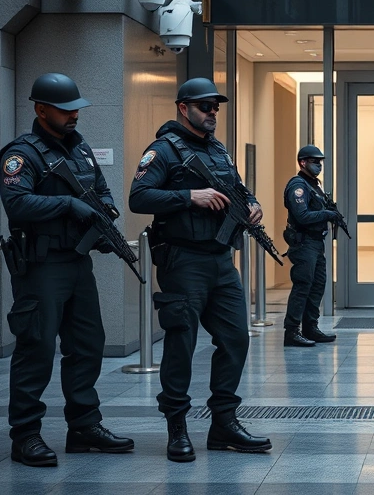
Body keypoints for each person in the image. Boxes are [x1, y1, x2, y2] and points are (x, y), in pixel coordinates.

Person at [129, 77, 271, 462]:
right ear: (183, 108)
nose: (212, 113)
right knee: (182, 343)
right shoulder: (163, 150)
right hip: (183, 260)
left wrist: (253, 204)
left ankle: (224, 424)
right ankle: (177, 427)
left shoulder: (220, 151)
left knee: (236, 339)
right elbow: (137, 197)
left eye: (216, 107)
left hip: (221, 260)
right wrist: (188, 196)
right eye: (205, 106)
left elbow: (238, 188)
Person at [0, 73, 134, 467]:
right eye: (65, 109)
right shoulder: (21, 154)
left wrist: (103, 222)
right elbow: (18, 204)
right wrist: (68, 206)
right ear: (41, 110)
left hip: (77, 262)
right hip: (41, 265)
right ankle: (25, 435)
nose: (74, 115)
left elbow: (104, 193)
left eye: (76, 109)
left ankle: (84, 427)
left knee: (88, 344)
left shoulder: (81, 149)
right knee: (36, 348)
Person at [281, 144, 340, 347]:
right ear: (303, 162)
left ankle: (310, 327)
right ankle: (292, 331)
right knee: (303, 286)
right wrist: (327, 214)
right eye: (315, 162)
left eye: (320, 162)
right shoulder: (298, 185)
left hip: (316, 243)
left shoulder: (314, 185)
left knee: (317, 285)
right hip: (303, 243)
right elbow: (302, 215)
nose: (318, 166)